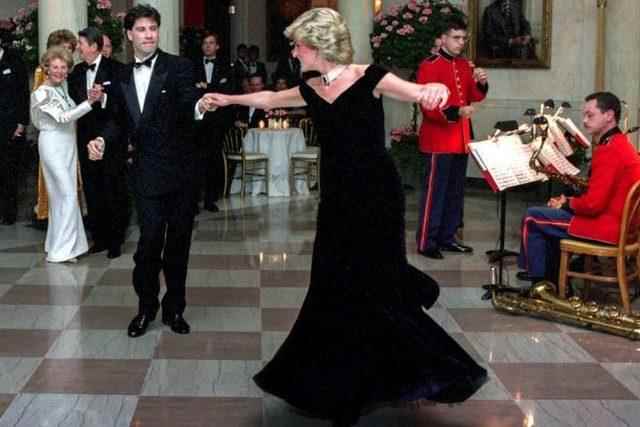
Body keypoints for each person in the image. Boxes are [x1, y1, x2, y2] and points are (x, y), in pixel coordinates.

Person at [205, 8, 487, 426]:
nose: (293, 52)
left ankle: (413, 370)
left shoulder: (369, 76)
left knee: (377, 283)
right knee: (332, 283)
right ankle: (334, 377)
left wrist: (434, 92)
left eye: (298, 45)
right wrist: (227, 99)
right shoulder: (310, 87)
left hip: (377, 195)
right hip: (337, 199)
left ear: (317, 46)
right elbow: (267, 99)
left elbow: (416, 91)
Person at [87, 4, 217, 338]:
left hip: (181, 172)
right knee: (148, 244)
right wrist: (101, 138)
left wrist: (200, 106)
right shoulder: (120, 75)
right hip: (145, 174)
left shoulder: (179, 67)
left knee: (178, 245)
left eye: (153, 29)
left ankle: (175, 309)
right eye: (142, 29)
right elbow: (117, 120)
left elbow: (189, 101)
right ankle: (146, 308)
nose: (148, 35)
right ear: (129, 35)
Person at [518, 92, 640, 283]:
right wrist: (567, 203)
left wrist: (566, 204)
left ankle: (540, 284)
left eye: (590, 115)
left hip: (608, 227)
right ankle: (555, 282)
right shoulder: (620, 143)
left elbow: (593, 205)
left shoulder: (609, 150)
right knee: (547, 217)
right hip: (623, 226)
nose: (584, 120)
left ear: (609, 115)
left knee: (532, 217)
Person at [416, 16, 488, 260]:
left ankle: (447, 237)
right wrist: (456, 111)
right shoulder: (429, 65)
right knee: (435, 193)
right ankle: (427, 242)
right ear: (443, 39)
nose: (460, 43)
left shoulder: (464, 65)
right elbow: (427, 105)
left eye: (463, 39)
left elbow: (474, 96)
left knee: (455, 192)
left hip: (460, 138)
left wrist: (482, 83)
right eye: (456, 38)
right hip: (438, 138)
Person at [30, 47, 104, 263]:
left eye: (63, 67)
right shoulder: (40, 93)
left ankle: (62, 246)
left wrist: (89, 99)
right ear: (46, 68)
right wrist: (90, 103)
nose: (60, 71)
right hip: (52, 145)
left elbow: (70, 115)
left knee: (62, 198)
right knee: (68, 195)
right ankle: (60, 252)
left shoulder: (62, 88)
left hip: (67, 146)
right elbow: (63, 117)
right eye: (55, 67)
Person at [69, 26, 128, 259]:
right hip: (85, 137)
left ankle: (116, 240)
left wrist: (102, 97)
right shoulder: (76, 71)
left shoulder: (118, 69)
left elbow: (123, 106)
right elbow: (74, 101)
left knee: (113, 188)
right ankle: (100, 238)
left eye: (81, 44)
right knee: (93, 189)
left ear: (94, 46)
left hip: (111, 139)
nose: (78, 48)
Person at [34, 30, 80, 222]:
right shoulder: (43, 78)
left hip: (69, 134)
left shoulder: (67, 75)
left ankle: (66, 238)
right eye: (62, 48)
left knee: (69, 189)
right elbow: (54, 114)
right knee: (63, 191)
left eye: (70, 49)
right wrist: (88, 104)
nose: (66, 52)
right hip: (53, 134)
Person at [194, 30, 233, 213]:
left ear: (217, 46)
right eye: (205, 43)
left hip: (217, 121)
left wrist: (206, 88)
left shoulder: (226, 66)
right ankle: (193, 201)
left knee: (214, 160)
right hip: (197, 121)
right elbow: (191, 91)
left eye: (211, 43)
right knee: (195, 161)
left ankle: (211, 199)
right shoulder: (192, 66)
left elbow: (228, 90)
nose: (208, 46)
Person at [0, 33, 30, 225]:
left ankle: (8, 214)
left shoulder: (14, 59)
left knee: (9, 170)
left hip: (10, 125)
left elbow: (23, 93)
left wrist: (21, 122)